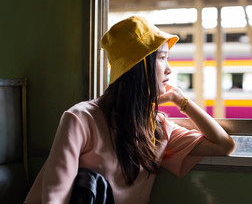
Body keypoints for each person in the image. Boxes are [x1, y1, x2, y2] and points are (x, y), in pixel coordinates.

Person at [24, 15, 235, 203]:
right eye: (162, 58)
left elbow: (223, 145)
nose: (169, 68)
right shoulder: (80, 119)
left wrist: (180, 100)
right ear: (138, 67)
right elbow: (54, 196)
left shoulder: (157, 127)